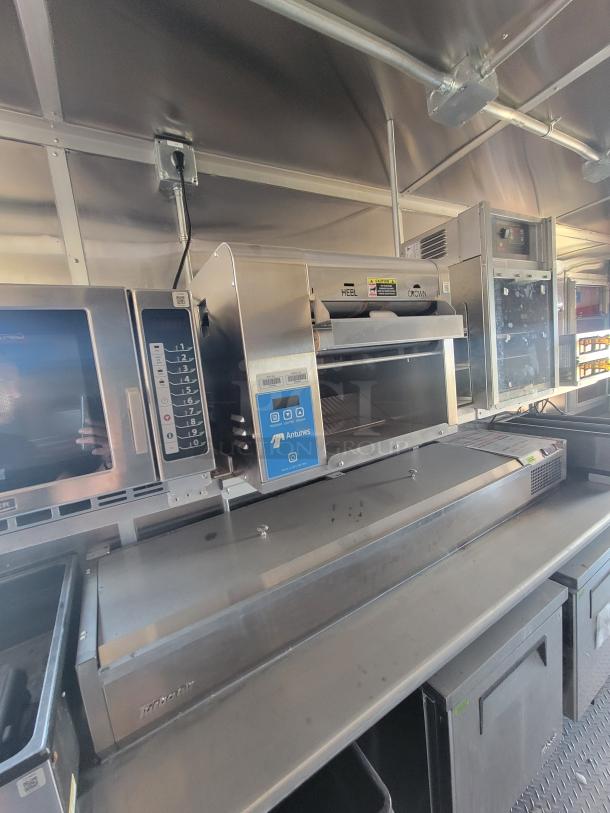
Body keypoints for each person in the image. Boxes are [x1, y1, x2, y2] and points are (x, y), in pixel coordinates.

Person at [0, 360, 110, 492]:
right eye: (5, 381)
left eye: (16, 384)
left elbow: (75, 493)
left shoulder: (18, 447)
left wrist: (109, 461)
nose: (17, 394)